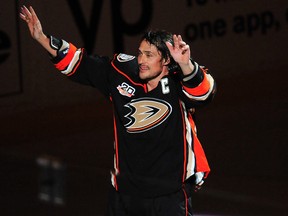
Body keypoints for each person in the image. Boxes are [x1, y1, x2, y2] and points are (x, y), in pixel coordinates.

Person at [20, 5, 216, 216]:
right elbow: (80, 63)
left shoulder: (182, 80)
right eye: (140, 53)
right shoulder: (120, 72)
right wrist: (41, 37)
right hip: (125, 193)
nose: (141, 60)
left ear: (167, 61)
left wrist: (186, 65)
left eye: (149, 55)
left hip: (169, 194)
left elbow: (204, 95)